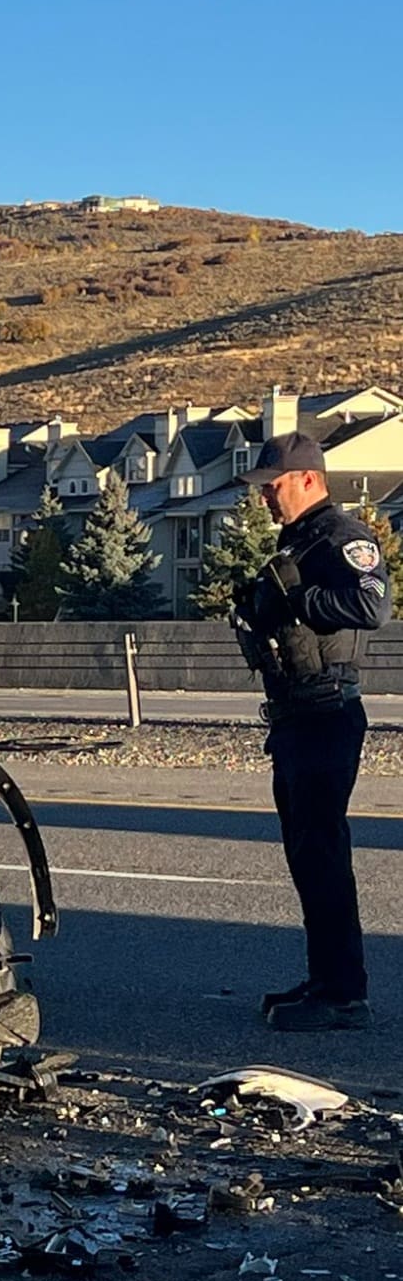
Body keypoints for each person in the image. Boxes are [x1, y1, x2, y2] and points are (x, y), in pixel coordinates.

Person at [234, 433, 389, 1031]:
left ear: (306, 479)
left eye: (272, 487)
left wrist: (298, 598)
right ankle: (326, 979)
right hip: (298, 715)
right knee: (306, 856)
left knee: (322, 854)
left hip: (328, 714)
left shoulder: (342, 537)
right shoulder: (300, 539)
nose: (266, 499)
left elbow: (372, 605)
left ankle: (344, 994)